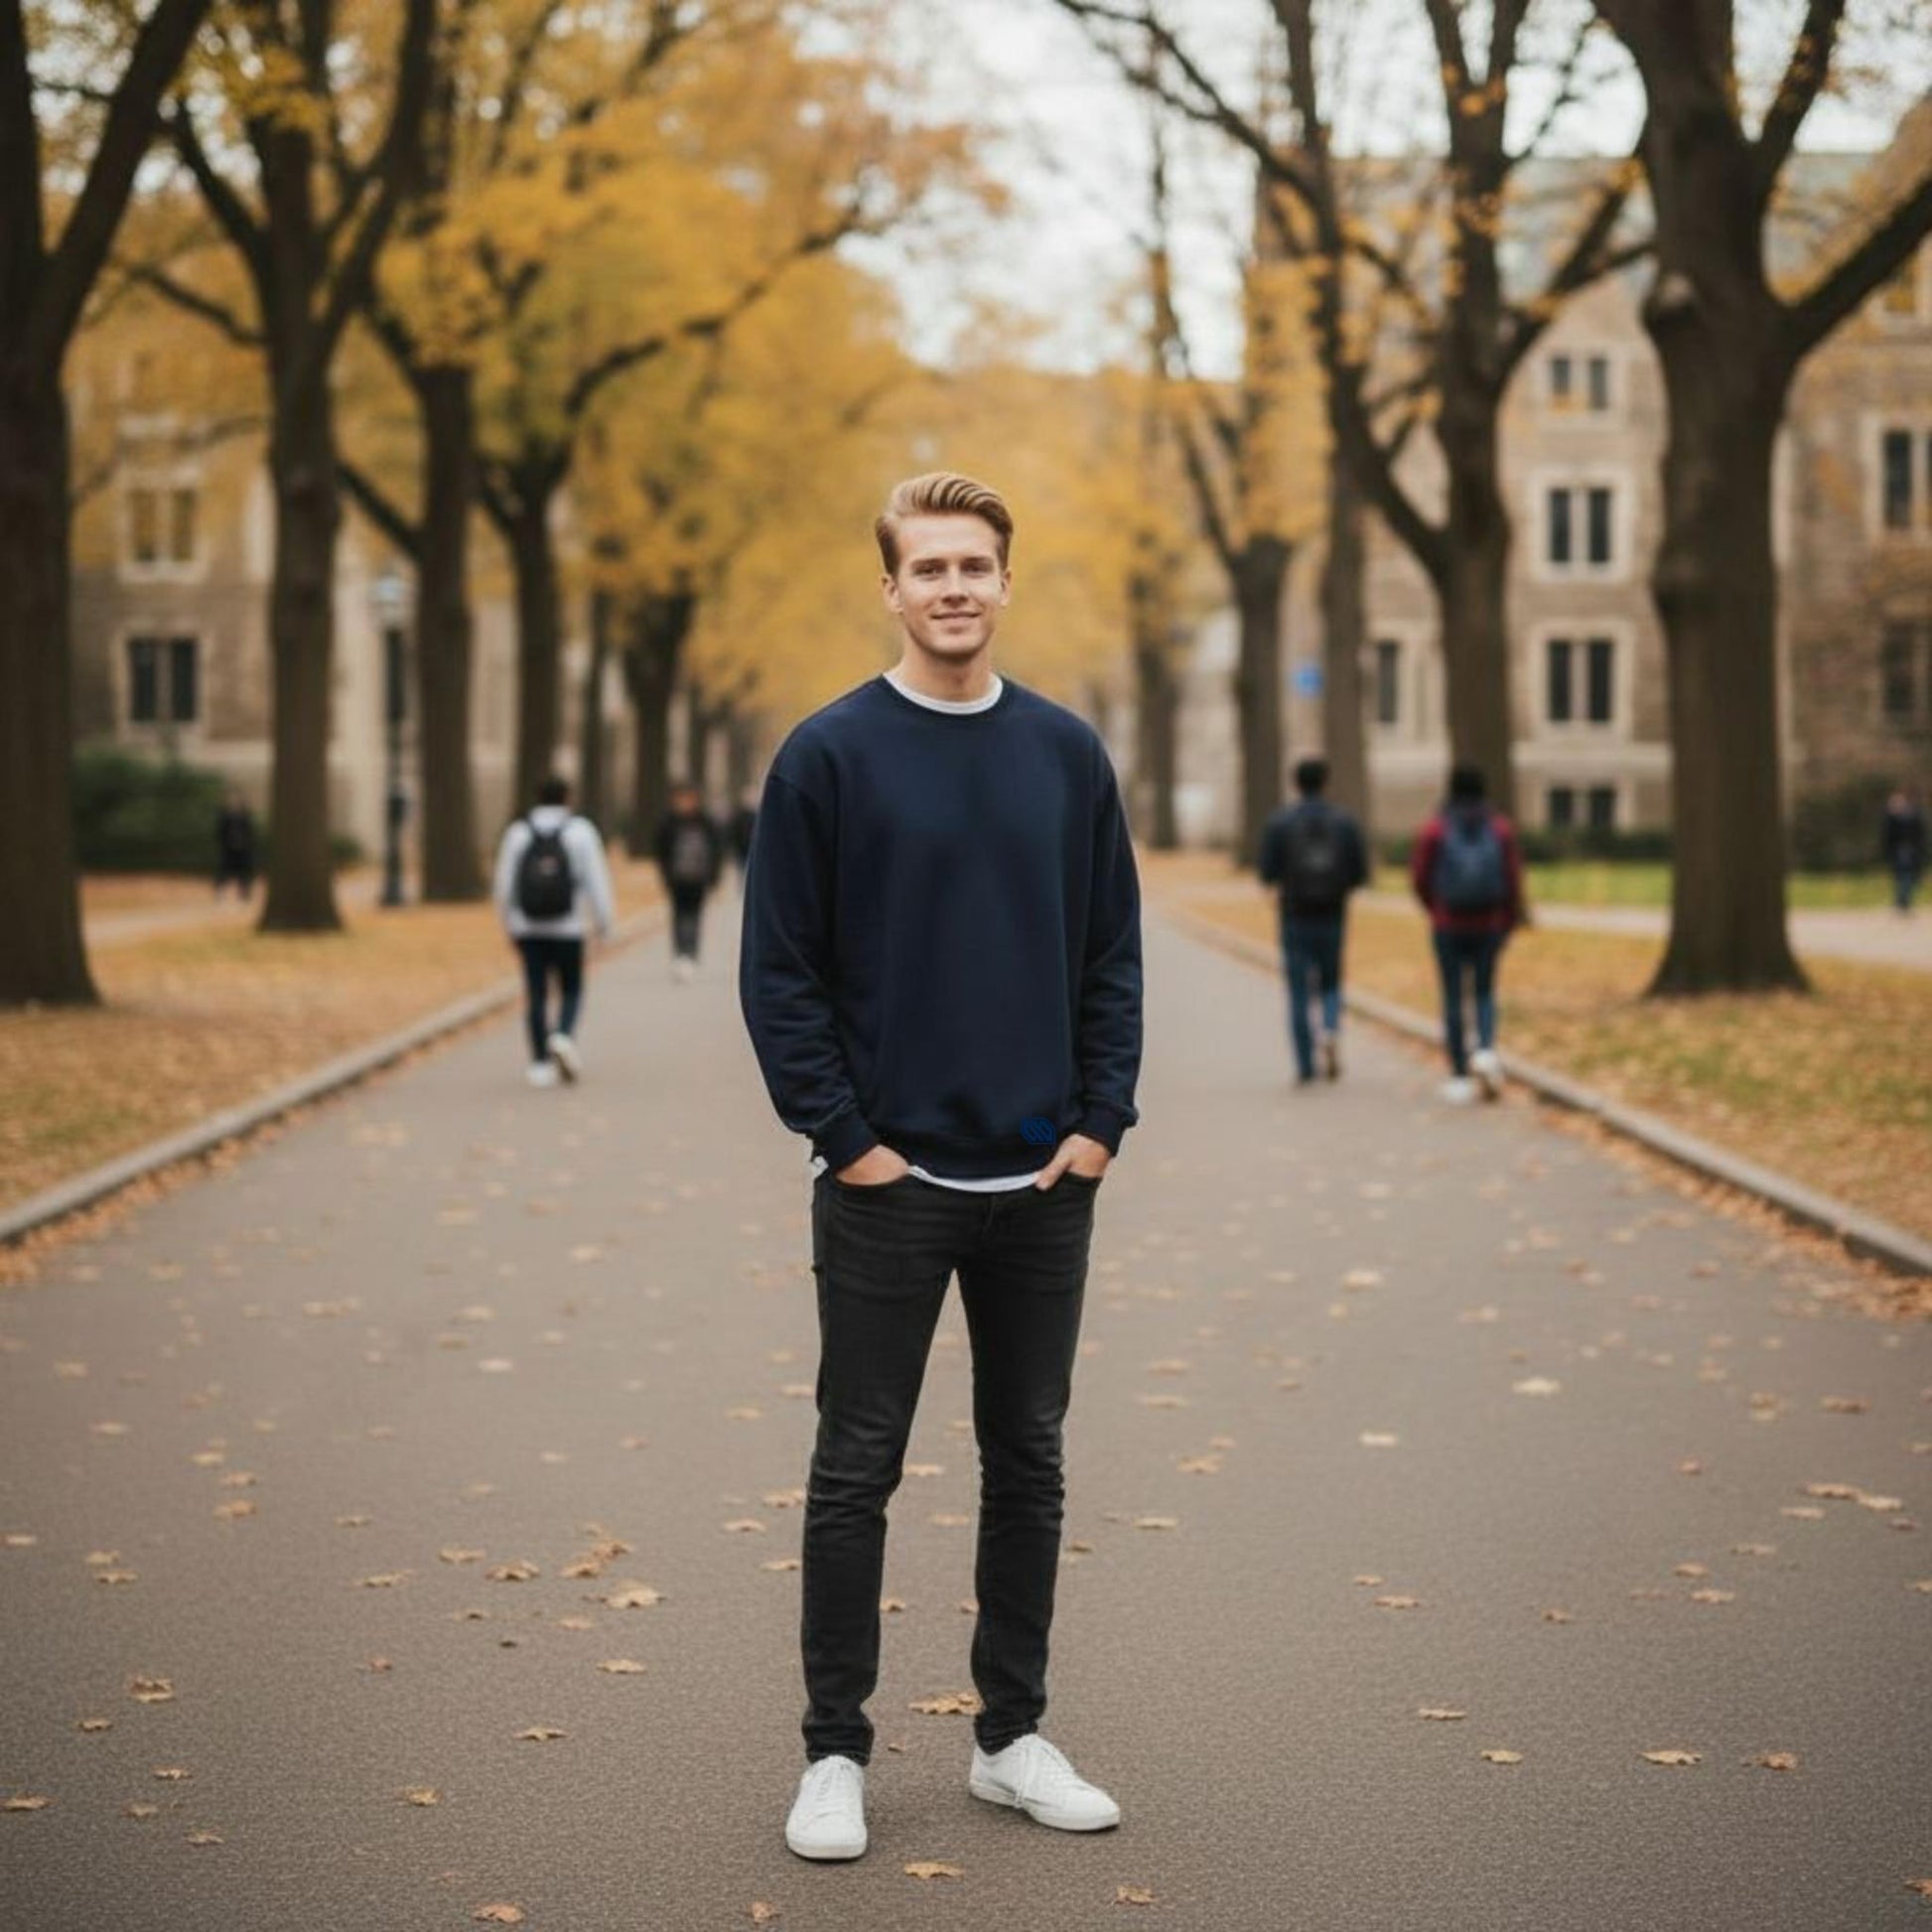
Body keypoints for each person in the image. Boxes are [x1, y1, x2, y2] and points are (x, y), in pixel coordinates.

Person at [740, 472, 1143, 1863]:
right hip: (888, 1187)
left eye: (975, 564)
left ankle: (1008, 1737)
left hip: (1041, 1185)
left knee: (1027, 1460)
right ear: (892, 588)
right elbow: (779, 972)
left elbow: (1109, 955)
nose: (954, 586)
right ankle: (832, 1753)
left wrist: (1100, 1122)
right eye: (929, 567)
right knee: (856, 1467)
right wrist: (848, 1141)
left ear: (1004, 582)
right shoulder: (827, 756)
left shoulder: (1066, 754)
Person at [1411, 765, 1525, 1104]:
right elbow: (1513, 877)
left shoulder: (1436, 828)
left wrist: (1435, 908)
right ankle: (1486, 1051)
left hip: (1448, 923)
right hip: (1488, 923)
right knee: (1485, 992)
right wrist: (1508, 919)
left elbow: (1420, 876)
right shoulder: (1499, 828)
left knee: (1453, 996)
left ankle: (1459, 1073)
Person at [492, 776, 615, 1087]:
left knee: (536, 992)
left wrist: (508, 923)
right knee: (571, 987)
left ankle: (539, 1063)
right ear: (567, 798)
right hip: (569, 927)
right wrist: (604, 924)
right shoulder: (581, 832)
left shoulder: (518, 833)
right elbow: (596, 880)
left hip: (528, 927)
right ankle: (562, 1034)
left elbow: (504, 884)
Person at [1257, 757, 1369, 1084]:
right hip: (1333, 913)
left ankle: (1305, 1064)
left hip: (1294, 914)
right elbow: (1360, 873)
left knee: (1298, 990)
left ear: (1296, 784)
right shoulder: (1344, 823)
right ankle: (1330, 1028)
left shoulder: (1280, 822)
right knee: (1331, 980)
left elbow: (1267, 872)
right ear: (1325, 782)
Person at [654, 780, 723, 980]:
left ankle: (691, 952)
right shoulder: (668, 822)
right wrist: (665, 875)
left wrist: (714, 876)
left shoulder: (706, 822)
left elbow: (716, 850)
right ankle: (680, 953)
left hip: (699, 878)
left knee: (694, 915)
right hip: (677, 878)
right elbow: (661, 851)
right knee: (678, 915)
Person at [1882, 785, 1926, 914]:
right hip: (1900, 852)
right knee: (1902, 877)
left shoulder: (1911, 816)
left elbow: (1919, 835)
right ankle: (1902, 901)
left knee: (1907, 877)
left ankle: (1903, 901)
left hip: (1909, 852)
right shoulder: (1892, 819)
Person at [213, 793, 257, 900]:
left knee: (244, 873)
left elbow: (250, 834)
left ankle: (244, 893)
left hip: (243, 851)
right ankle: (220, 892)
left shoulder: (245, 818)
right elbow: (220, 833)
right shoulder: (226, 818)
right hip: (228, 850)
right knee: (224, 872)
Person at [729, 786, 759, 879]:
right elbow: (735, 834)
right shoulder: (739, 817)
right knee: (742, 873)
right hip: (742, 850)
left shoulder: (756, 816)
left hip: (751, 850)